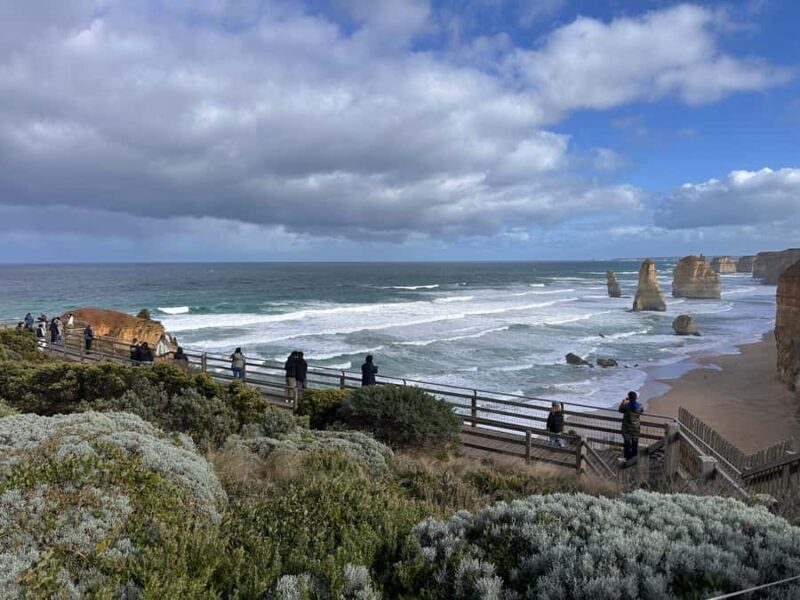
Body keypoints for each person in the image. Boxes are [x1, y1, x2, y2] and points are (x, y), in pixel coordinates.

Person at [619, 391, 643, 460]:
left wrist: (623, 402)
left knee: (627, 443)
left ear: (629, 398)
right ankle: (634, 459)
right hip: (636, 427)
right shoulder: (640, 406)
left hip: (627, 427)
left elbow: (620, 410)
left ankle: (627, 458)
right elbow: (641, 411)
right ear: (636, 398)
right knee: (635, 443)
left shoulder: (626, 406)